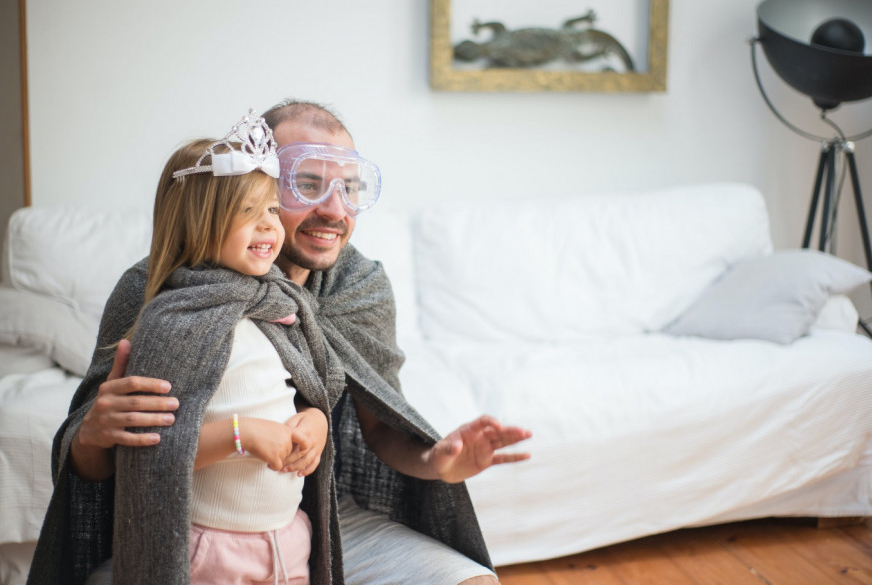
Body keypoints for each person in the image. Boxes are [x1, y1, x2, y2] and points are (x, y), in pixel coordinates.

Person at [33, 100, 532, 585]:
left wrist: (438, 461)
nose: (335, 210)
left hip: (323, 518)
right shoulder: (161, 289)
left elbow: (380, 431)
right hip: (185, 529)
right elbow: (93, 465)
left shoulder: (358, 286)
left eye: (350, 188)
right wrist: (95, 433)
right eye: (307, 184)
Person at [30, 112, 338, 584]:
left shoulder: (280, 302)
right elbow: (148, 453)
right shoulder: (169, 319)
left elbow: (310, 388)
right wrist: (242, 435)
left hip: (288, 539)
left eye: (273, 210)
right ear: (199, 224)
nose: (268, 227)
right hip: (207, 549)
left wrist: (315, 420)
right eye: (246, 212)